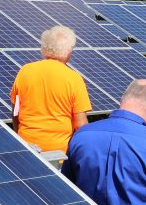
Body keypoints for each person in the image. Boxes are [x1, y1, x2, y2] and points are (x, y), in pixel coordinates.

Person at [10, 25, 91, 153]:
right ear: (69, 51)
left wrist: (19, 135)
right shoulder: (74, 79)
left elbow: (15, 112)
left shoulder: (25, 71)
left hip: (26, 148)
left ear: (45, 47)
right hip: (58, 153)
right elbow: (80, 125)